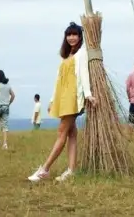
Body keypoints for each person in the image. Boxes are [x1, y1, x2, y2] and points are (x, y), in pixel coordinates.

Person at [28, 22, 95, 183]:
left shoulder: (82, 53)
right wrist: (52, 99)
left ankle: (45, 169)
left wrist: (88, 94)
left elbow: (84, 74)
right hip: (62, 96)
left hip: (73, 97)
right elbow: (59, 79)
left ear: (80, 37)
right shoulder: (66, 55)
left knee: (61, 132)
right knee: (71, 133)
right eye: (69, 34)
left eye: (75, 34)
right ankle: (71, 169)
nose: (72, 38)